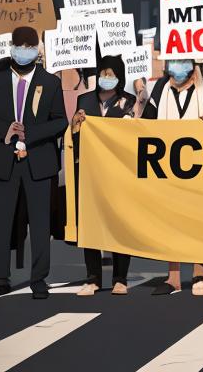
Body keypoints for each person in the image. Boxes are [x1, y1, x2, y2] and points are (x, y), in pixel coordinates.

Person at [0, 27, 67, 300]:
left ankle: (39, 279)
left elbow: (60, 120)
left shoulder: (49, 82)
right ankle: (0, 278)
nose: (24, 50)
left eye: (29, 45)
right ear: (12, 47)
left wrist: (30, 133)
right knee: (1, 222)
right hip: (5, 160)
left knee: (40, 223)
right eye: (19, 45)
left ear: (37, 49)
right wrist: (7, 130)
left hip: (38, 160)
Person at [141, 58, 203, 296]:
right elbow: (146, 123)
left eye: (183, 61)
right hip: (169, 168)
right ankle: (174, 277)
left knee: (200, 222)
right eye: (174, 61)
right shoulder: (160, 88)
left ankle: (199, 273)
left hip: (201, 167)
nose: (177, 67)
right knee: (171, 222)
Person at [70, 55, 136, 296]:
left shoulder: (128, 102)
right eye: (103, 74)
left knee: (119, 223)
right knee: (91, 224)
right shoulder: (84, 100)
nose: (106, 79)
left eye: (111, 74)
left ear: (119, 77)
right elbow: (74, 135)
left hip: (119, 174)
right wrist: (75, 124)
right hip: (90, 173)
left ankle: (121, 278)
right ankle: (93, 277)